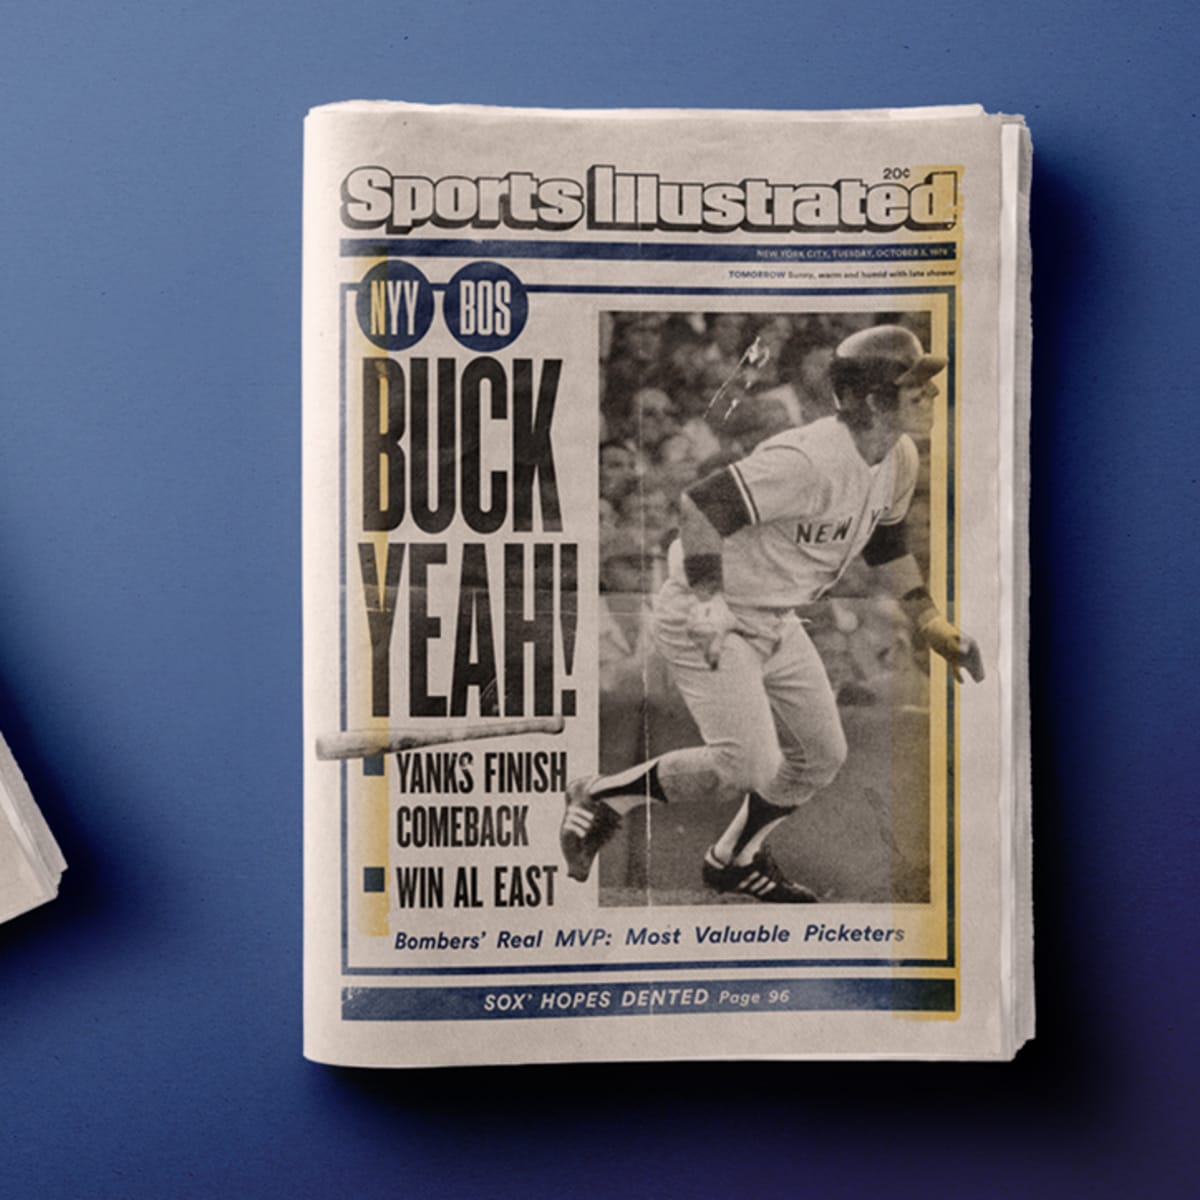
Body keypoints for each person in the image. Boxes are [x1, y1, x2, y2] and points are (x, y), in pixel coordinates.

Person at [561, 324, 985, 903]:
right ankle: (600, 796)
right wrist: (710, 601)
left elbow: (886, 544)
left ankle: (733, 859)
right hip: (709, 609)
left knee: (824, 756)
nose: (932, 396)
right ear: (871, 399)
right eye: (916, 388)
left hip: (775, 616)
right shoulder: (808, 458)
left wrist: (931, 622)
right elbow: (700, 506)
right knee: (743, 766)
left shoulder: (899, 455)